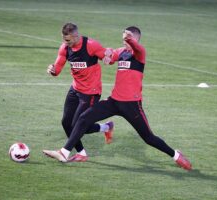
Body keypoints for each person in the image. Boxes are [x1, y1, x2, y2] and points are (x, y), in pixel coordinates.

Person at [43, 26, 192, 171]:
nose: (125, 43)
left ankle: (176, 155)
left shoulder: (139, 54)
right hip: (114, 102)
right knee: (83, 119)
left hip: (132, 105)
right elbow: (109, 56)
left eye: (128, 40)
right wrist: (107, 56)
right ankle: (65, 152)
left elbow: (136, 47)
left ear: (136, 39)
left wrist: (130, 40)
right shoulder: (121, 52)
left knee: (148, 138)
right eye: (123, 40)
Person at [44, 22, 114, 162]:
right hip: (75, 89)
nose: (65, 42)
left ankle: (65, 152)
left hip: (90, 92)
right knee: (66, 122)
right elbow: (57, 70)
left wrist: (109, 56)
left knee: (78, 125)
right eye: (64, 39)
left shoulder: (91, 45)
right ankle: (84, 151)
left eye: (68, 39)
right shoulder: (65, 48)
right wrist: (51, 70)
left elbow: (108, 58)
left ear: (76, 36)